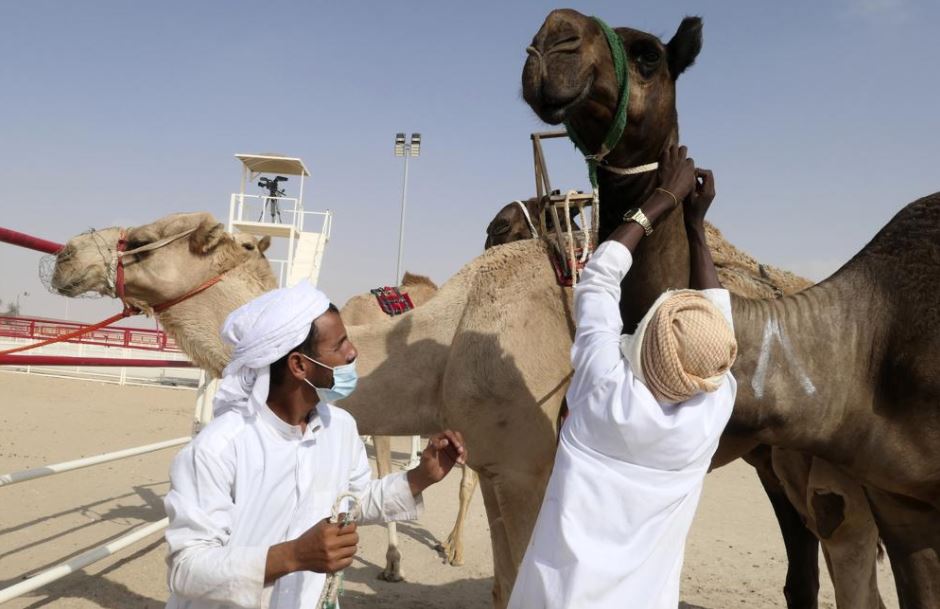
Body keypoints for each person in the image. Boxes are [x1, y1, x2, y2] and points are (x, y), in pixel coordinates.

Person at [508, 146, 739, 609]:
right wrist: (695, 227)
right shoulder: (711, 412)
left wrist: (662, 200)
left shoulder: (603, 392)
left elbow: (596, 278)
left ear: (649, 344)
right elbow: (717, 335)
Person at [163, 282, 466, 609]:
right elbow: (186, 568)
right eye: (339, 345)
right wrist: (292, 556)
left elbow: (354, 501)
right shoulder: (219, 448)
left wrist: (421, 476)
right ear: (298, 366)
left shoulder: (341, 428)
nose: (352, 352)